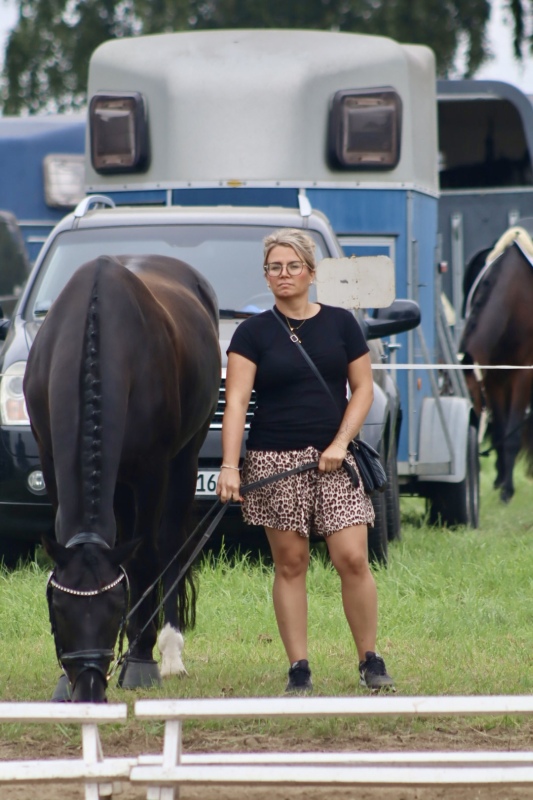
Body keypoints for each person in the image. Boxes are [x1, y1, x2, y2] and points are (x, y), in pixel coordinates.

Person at [216, 228, 394, 694]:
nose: (284, 274)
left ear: (312, 273)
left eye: (293, 266)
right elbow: (236, 403)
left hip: (335, 459)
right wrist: (230, 466)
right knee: (291, 563)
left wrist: (340, 443)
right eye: (274, 267)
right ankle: (299, 667)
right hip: (275, 462)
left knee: (352, 557)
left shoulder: (341, 324)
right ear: (266, 276)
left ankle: (370, 659)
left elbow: (364, 390)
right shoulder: (251, 333)